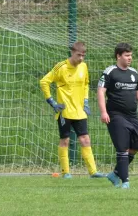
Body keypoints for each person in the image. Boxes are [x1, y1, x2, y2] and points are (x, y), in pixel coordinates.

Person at [40, 41, 105, 178]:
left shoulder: (84, 67)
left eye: (83, 55)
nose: (81, 58)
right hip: (64, 111)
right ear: (72, 53)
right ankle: (66, 172)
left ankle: (93, 172)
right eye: (78, 55)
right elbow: (44, 81)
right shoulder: (61, 67)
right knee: (65, 140)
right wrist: (51, 101)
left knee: (85, 140)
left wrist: (86, 101)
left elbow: (86, 84)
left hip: (80, 111)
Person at [98, 43, 138, 189]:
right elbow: (100, 91)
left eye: (131, 55)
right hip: (115, 115)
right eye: (127, 55)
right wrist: (103, 111)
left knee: (135, 147)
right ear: (118, 56)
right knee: (122, 148)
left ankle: (115, 173)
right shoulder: (110, 71)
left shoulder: (133, 73)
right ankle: (125, 182)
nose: (130, 58)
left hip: (132, 116)